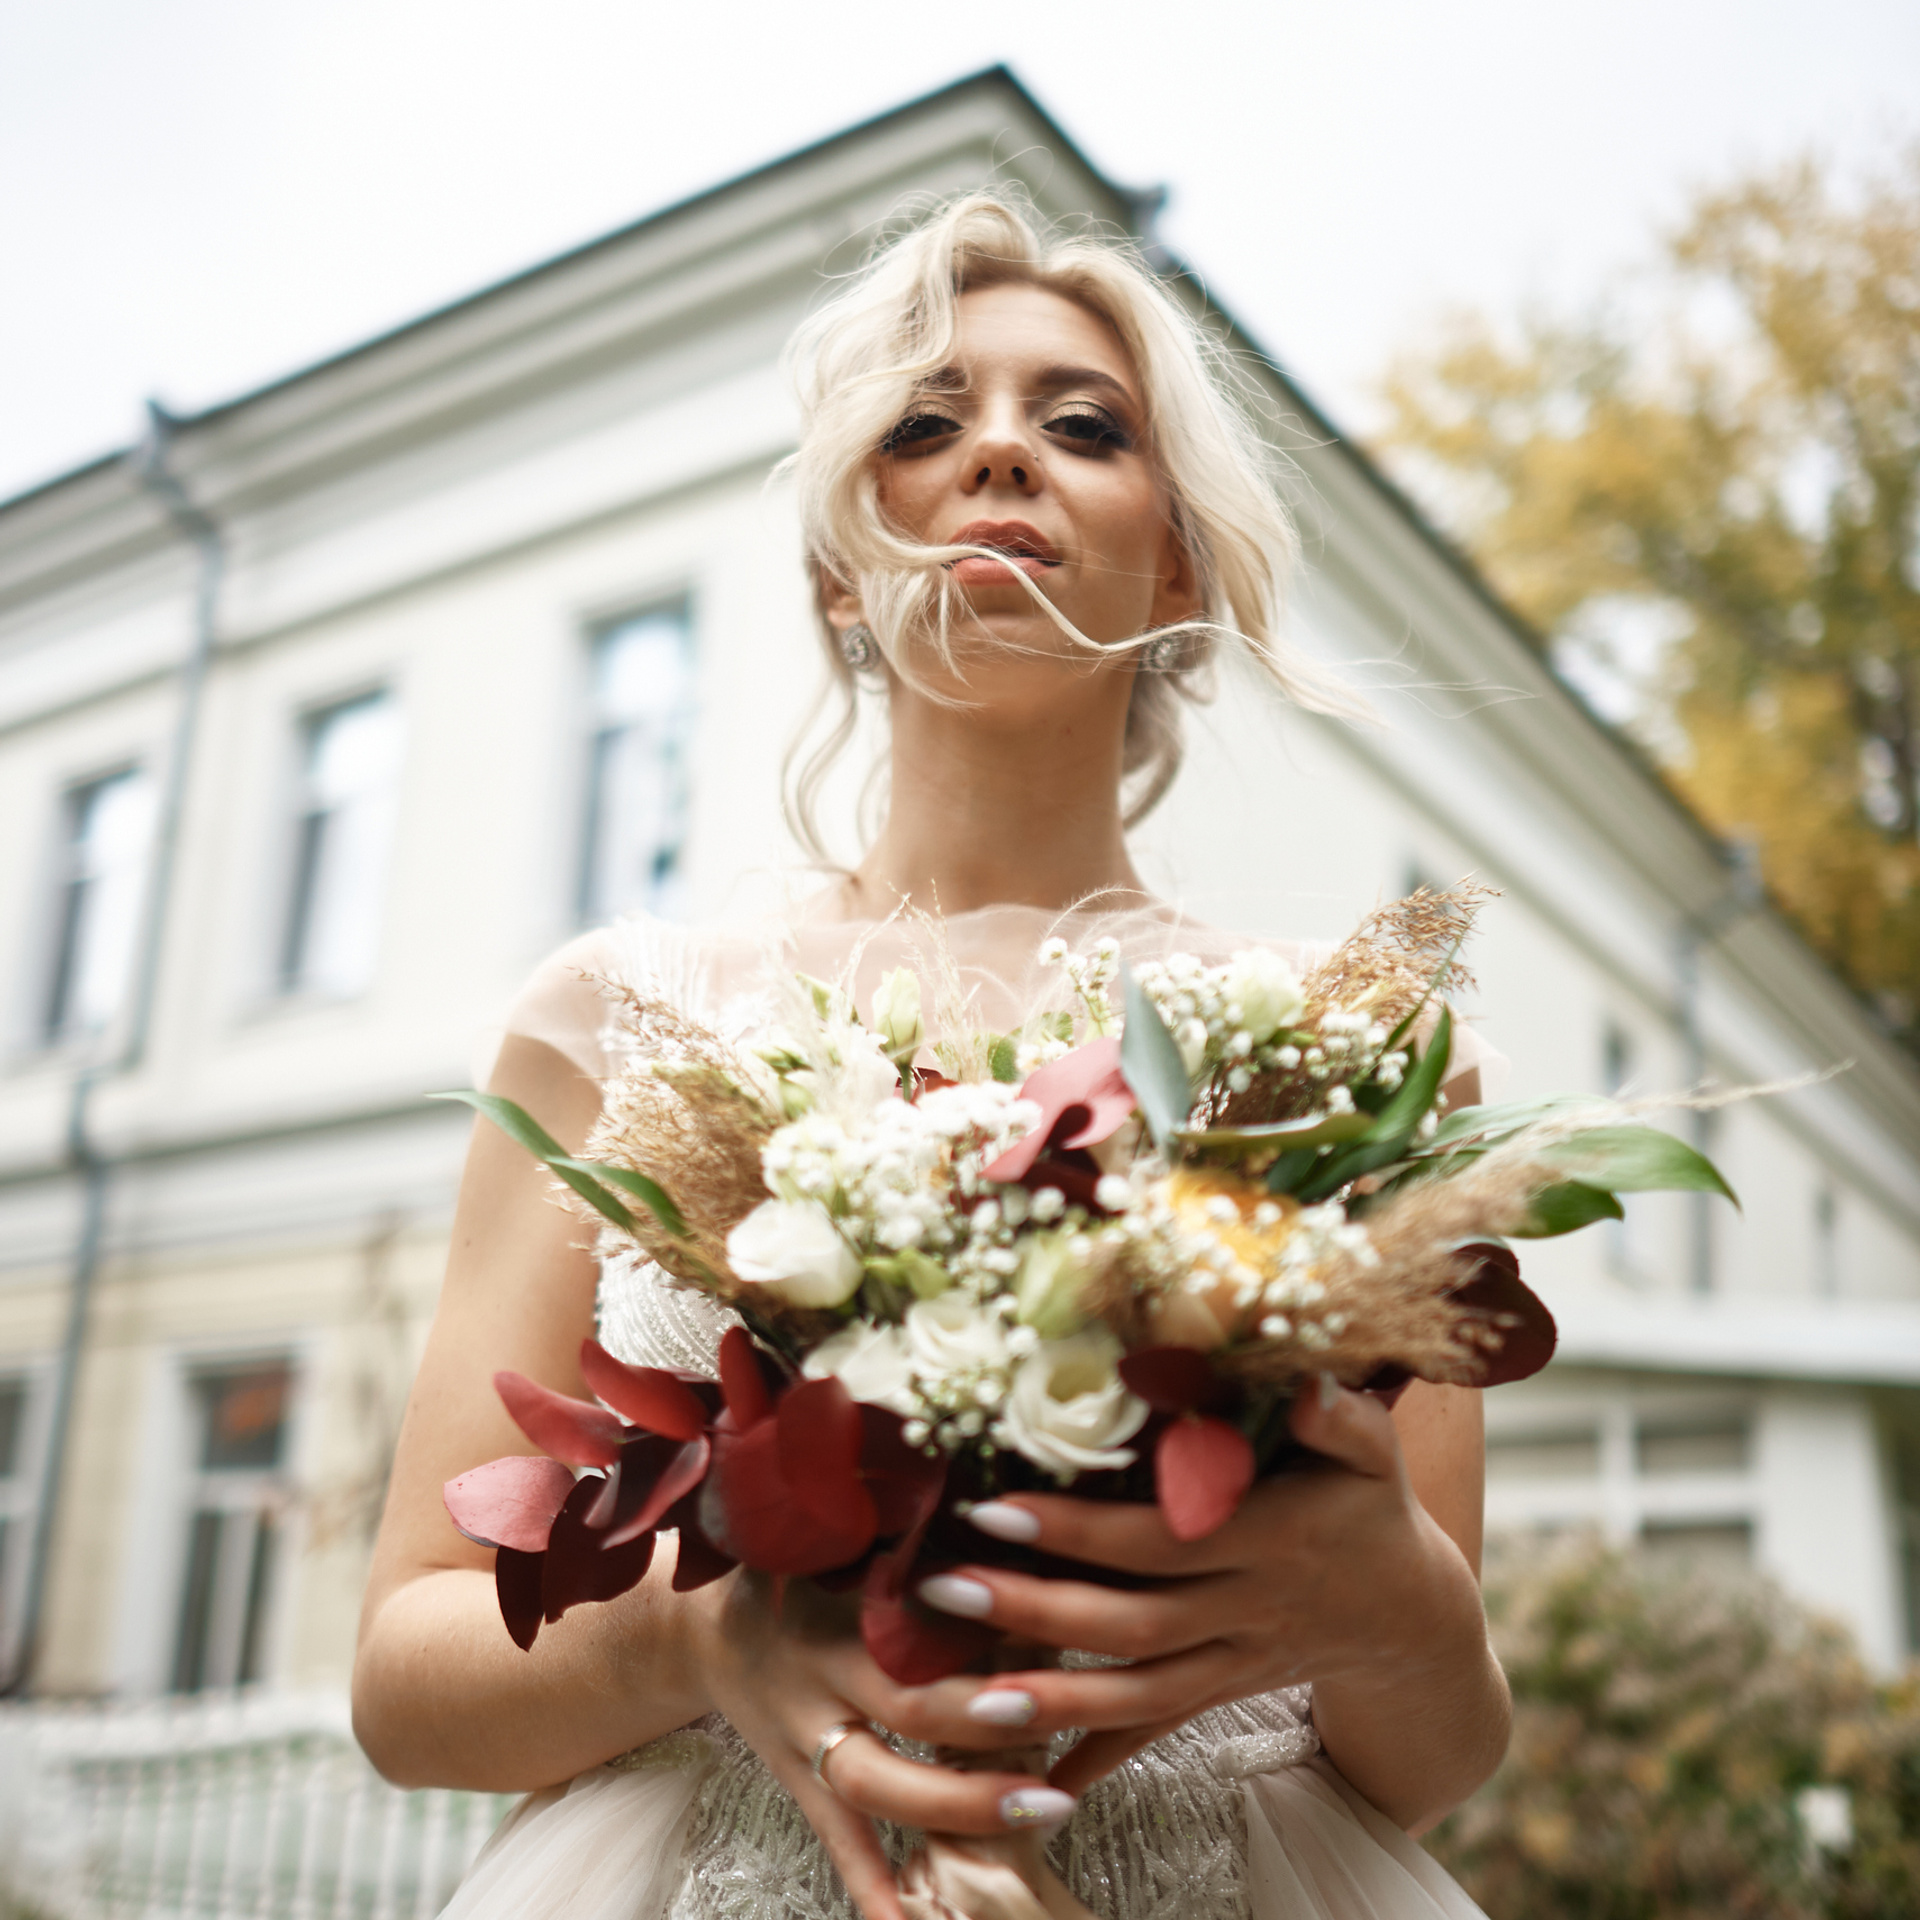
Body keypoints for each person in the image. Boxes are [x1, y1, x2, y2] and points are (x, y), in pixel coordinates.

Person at [352, 192, 1511, 1920]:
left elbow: (1423, 1762)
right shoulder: (616, 1019)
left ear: (1178, 551)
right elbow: (403, 1671)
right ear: (841, 561)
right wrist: (696, 1638)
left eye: (1082, 426)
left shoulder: (1355, 1052)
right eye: (923, 421)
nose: (998, 455)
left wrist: (1395, 1602)